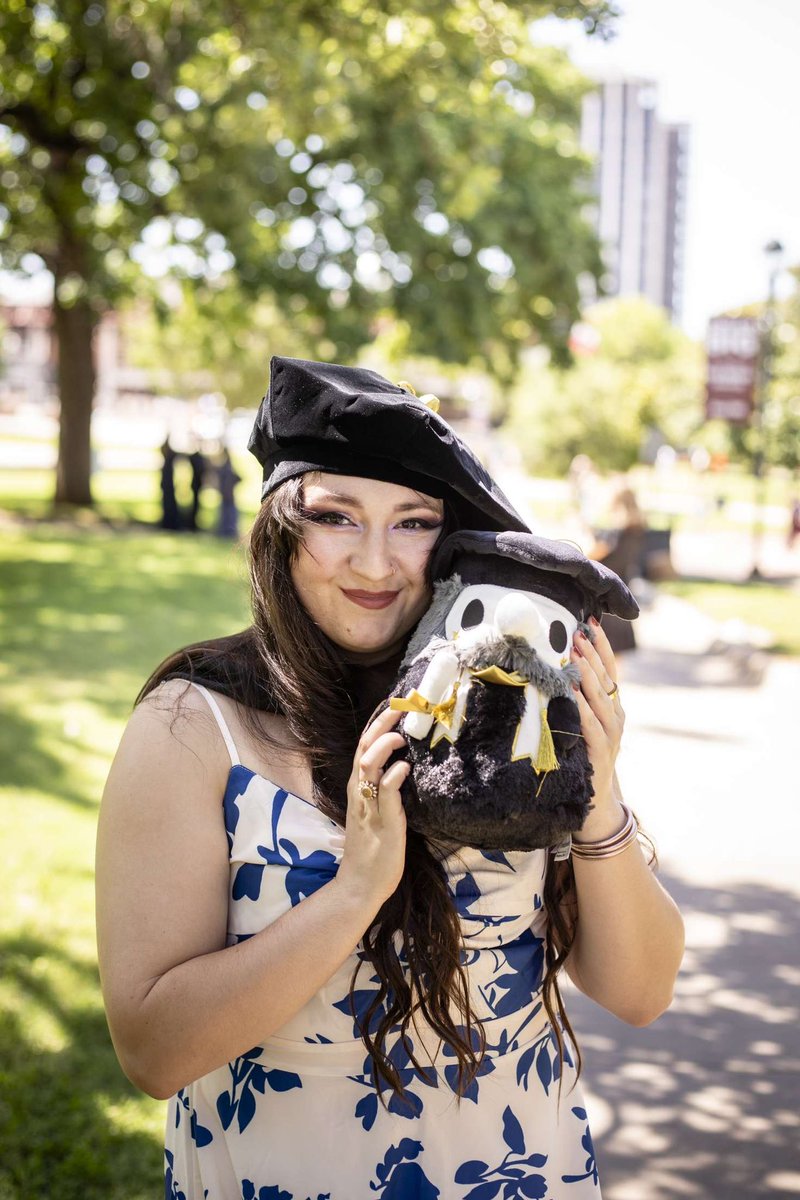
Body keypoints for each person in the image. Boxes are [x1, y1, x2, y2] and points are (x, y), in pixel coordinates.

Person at [96, 357, 684, 1199]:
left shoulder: (500, 710)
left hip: (523, 1168)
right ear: (280, 530)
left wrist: (598, 797)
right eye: (337, 516)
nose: (375, 564)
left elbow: (640, 992)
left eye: (412, 523)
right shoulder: (195, 727)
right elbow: (153, 1051)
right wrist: (356, 891)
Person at [589, 484, 647, 658]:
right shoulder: (638, 529)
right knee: (615, 656)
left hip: (604, 593)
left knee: (598, 650)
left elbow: (594, 553)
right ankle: (613, 684)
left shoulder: (616, 531)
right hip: (622, 590)